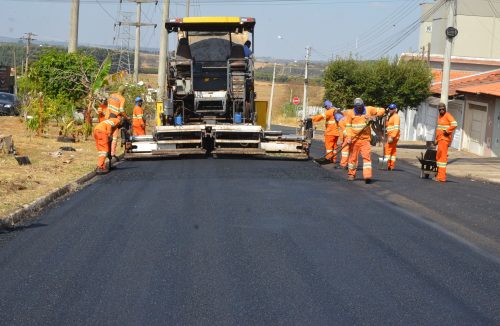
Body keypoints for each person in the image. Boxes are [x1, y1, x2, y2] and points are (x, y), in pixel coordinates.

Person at [345, 98, 385, 183]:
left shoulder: (369, 109)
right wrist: (348, 137)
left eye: (361, 107)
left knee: (367, 158)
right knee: (353, 158)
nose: (359, 109)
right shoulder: (350, 113)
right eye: (357, 107)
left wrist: (373, 116)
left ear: (363, 105)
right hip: (354, 139)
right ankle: (351, 174)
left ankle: (367, 176)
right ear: (355, 106)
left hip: (365, 140)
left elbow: (382, 110)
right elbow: (348, 127)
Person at [433, 102, 457, 182]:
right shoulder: (440, 116)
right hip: (440, 140)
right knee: (438, 157)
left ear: (445, 109)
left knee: (442, 159)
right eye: (440, 109)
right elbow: (439, 129)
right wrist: (436, 139)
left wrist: (447, 131)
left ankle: (441, 177)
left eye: (443, 109)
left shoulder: (448, 115)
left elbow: (454, 124)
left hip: (444, 140)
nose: (441, 111)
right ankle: (439, 175)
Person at [105, 86, 128, 159]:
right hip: (115, 119)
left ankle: (106, 151)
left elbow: (108, 106)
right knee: (114, 137)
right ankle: (112, 153)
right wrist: (126, 117)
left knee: (108, 135)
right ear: (123, 91)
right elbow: (121, 110)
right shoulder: (122, 98)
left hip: (107, 117)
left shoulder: (111, 95)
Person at [384, 103, 400, 171]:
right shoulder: (391, 116)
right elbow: (388, 126)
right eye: (390, 108)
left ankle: (387, 165)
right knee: (393, 151)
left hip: (393, 136)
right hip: (391, 136)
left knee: (387, 149)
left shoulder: (396, 116)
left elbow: (396, 128)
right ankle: (391, 166)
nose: (390, 110)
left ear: (395, 109)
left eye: (392, 109)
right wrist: (387, 119)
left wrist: (392, 137)